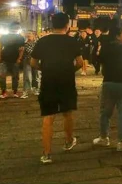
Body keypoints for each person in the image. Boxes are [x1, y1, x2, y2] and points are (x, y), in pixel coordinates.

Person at [30, 13, 83, 164]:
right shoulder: (72, 42)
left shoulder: (42, 41)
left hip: (48, 82)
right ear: (67, 26)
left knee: (48, 117)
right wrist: (69, 70)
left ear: (52, 25)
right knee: (67, 113)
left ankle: (46, 154)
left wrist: (44, 68)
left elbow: (33, 63)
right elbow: (79, 62)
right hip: (66, 82)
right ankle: (68, 141)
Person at [93, 27, 122, 151]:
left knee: (105, 113)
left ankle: (104, 138)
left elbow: (98, 61)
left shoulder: (105, 47)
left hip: (109, 82)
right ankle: (121, 143)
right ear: (117, 36)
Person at [0, 22, 25, 99]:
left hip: (15, 59)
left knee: (15, 77)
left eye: (17, 27)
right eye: (14, 27)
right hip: (4, 59)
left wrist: (19, 58)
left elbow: (22, 49)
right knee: (2, 76)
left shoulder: (20, 37)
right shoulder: (4, 37)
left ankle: (15, 92)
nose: (16, 28)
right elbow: (0, 47)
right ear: (10, 27)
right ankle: (3, 92)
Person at [21, 31, 37, 98]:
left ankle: (35, 89)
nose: (28, 35)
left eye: (30, 34)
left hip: (36, 61)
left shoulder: (37, 43)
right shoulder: (24, 44)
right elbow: (32, 52)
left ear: (34, 35)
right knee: (27, 76)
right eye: (27, 34)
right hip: (27, 61)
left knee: (36, 76)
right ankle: (25, 91)